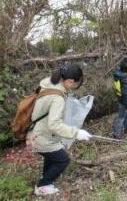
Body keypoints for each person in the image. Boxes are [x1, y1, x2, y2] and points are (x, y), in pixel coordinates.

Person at [27, 64, 92, 196]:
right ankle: (43, 185)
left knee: (52, 156)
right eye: (75, 85)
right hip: (41, 136)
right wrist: (76, 133)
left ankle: (45, 178)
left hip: (37, 132)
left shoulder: (50, 83)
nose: (74, 88)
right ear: (70, 81)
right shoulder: (58, 97)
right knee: (63, 160)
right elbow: (55, 125)